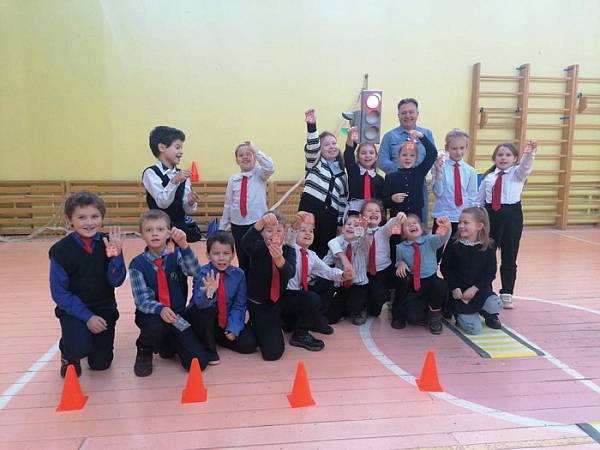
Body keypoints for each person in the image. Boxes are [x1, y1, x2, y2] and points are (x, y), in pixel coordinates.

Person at [49, 191, 125, 377]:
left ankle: (86, 339)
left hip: (104, 307)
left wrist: (116, 257)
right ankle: (68, 352)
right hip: (75, 310)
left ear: (102, 218)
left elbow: (116, 280)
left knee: (100, 364)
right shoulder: (60, 251)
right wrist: (87, 317)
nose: (89, 222)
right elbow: (59, 293)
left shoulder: (109, 243)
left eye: (94, 216)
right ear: (69, 220)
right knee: (78, 348)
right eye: (81, 217)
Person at [129, 210, 208, 377]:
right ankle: (144, 348)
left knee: (198, 362)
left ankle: (167, 342)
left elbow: (194, 271)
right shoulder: (137, 265)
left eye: (160, 229)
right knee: (154, 324)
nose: (154, 233)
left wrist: (184, 246)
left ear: (168, 233)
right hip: (153, 315)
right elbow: (142, 300)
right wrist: (160, 309)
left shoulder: (177, 255)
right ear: (142, 235)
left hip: (177, 316)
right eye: (149, 230)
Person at [242, 211, 324, 359]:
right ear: (262, 234)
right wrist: (260, 223)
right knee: (273, 353)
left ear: (284, 233)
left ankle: (299, 333)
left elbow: (289, 272)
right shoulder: (258, 247)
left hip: (280, 298)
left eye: (279, 230)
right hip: (261, 304)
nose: (274, 234)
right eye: (269, 230)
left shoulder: (288, 248)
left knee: (312, 299)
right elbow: (245, 242)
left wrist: (279, 259)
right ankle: (257, 324)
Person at [476, 140, 537, 309]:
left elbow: (526, 166)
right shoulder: (489, 177)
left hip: (511, 216)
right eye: (500, 155)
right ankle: (485, 288)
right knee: (487, 253)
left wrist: (529, 154)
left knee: (509, 255)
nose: (503, 158)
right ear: (494, 158)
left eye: (508, 155)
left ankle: (507, 292)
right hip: (490, 215)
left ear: (515, 158)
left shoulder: (518, 174)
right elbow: (479, 200)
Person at [187, 230, 257, 364]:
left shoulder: (239, 275)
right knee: (206, 310)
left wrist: (233, 328)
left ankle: (218, 336)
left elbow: (239, 304)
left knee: (249, 344)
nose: (221, 258)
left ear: (233, 255)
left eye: (226, 253)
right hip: (203, 318)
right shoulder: (202, 273)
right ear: (208, 255)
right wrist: (209, 293)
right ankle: (209, 348)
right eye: (216, 253)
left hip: (224, 320)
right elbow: (198, 303)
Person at [282, 212, 352, 335]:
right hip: (286, 295)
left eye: (311, 231)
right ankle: (300, 335)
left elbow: (327, 271)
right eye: (302, 230)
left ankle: (312, 318)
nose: (308, 233)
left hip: (300, 294)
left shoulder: (311, 255)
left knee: (326, 282)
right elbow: (288, 239)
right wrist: (293, 228)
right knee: (312, 299)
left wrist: (343, 275)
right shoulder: (288, 248)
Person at [441, 207, 502, 334]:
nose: (460, 226)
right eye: (460, 222)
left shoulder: (489, 245)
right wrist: (454, 287)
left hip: (478, 289)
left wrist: (475, 289)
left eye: (466, 223)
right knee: (474, 330)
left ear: (479, 226)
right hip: (459, 292)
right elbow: (445, 267)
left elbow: (490, 272)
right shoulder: (454, 243)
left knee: (495, 305)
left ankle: (485, 312)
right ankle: (457, 312)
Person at [298, 108, 348, 257]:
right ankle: (303, 270)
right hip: (310, 207)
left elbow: (342, 202)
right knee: (305, 244)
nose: (331, 146)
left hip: (329, 216)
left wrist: (339, 224)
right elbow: (312, 147)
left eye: (334, 143)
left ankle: (321, 272)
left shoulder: (342, 174)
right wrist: (311, 125)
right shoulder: (315, 162)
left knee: (324, 249)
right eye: (326, 145)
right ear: (320, 149)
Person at [220, 141, 274, 273]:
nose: (245, 157)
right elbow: (228, 205)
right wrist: (222, 228)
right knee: (243, 258)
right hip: (238, 225)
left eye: (249, 154)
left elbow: (270, 167)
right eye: (241, 155)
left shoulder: (260, 174)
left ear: (254, 157)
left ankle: (258, 283)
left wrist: (256, 150)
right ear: (237, 160)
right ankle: (244, 283)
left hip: (257, 224)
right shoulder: (233, 180)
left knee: (258, 257)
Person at [379, 98, 436, 223]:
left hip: (419, 185)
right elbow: (382, 161)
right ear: (398, 115)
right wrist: (401, 172)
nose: (408, 115)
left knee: (418, 224)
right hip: (395, 187)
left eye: (411, 112)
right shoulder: (389, 136)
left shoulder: (426, 134)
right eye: (404, 112)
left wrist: (414, 172)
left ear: (417, 114)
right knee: (397, 226)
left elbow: (432, 155)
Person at [392, 214, 451, 334]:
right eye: (407, 225)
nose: (412, 225)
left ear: (421, 227)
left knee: (440, 285)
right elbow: (397, 261)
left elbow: (443, 237)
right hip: (414, 284)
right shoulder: (400, 247)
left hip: (431, 280)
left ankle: (435, 314)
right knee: (414, 319)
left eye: (415, 223)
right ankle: (419, 309)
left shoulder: (430, 240)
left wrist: (447, 228)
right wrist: (401, 263)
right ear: (403, 233)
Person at [143, 126, 201, 242]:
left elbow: (187, 209)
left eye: (181, 148)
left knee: (180, 253)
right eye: (177, 147)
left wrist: (190, 202)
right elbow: (162, 202)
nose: (181, 152)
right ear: (162, 147)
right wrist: (174, 181)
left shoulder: (182, 175)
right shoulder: (150, 173)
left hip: (180, 231)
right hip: (158, 232)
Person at [431, 129, 478, 260]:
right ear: (447, 148)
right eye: (454, 148)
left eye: (462, 148)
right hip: (442, 216)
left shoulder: (470, 171)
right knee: (436, 250)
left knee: (456, 252)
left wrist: (471, 218)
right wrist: (438, 172)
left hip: (461, 218)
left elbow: (472, 196)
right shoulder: (439, 167)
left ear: (466, 147)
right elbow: (438, 192)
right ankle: (432, 271)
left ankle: (451, 273)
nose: (458, 152)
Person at [324, 214, 372, 325]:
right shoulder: (336, 242)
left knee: (354, 306)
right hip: (341, 285)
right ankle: (345, 308)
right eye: (348, 224)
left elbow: (367, 241)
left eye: (355, 226)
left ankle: (361, 308)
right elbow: (326, 261)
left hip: (358, 285)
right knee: (330, 318)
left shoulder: (361, 242)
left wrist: (364, 229)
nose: (351, 226)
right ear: (342, 228)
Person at [361, 200, 406, 317]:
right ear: (361, 216)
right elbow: (361, 242)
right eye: (369, 210)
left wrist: (399, 216)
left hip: (384, 270)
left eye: (377, 211)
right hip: (366, 272)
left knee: (401, 280)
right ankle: (366, 305)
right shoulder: (358, 232)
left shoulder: (383, 231)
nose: (374, 213)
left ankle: (393, 301)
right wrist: (363, 229)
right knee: (373, 310)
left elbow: (391, 223)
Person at [382, 129, 438, 219]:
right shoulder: (390, 177)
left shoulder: (420, 172)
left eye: (412, 155)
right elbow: (384, 202)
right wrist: (392, 199)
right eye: (404, 155)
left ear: (416, 158)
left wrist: (421, 136)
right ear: (398, 157)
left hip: (415, 220)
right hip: (397, 220)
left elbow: (432, 153)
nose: (408, 158)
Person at [344, 126, 384, 216]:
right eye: (363, 153)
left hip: (373, 214)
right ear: (358, 157)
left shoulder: (380, 179)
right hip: (355, 211)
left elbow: (382, 200)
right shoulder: (354, 171)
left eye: (371, 153)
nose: (367, 155)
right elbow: (348, 155)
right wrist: (351, 137)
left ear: (376, 157)